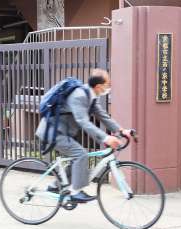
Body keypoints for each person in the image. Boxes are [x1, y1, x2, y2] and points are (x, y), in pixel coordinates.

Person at [35, 68, 132, 203]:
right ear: (98, 86)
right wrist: (106, 137)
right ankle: (76, 192)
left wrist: (121, 131)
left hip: (64, 132)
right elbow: (83, 122)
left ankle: (55, 186)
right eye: (107, 84)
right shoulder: (79, 96)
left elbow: (103, 116)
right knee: (81, 154)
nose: (108, 87)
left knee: (76, 158)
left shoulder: (90, 96)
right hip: (52, 132)